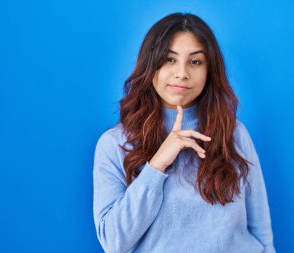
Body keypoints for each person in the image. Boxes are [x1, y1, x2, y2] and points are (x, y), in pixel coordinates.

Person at [93, 12, 275, 253]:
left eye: (195, 62)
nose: (182, 73)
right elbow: (113, 242)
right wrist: (157, 165)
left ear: (210, 71)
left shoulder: (234, 134)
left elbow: (261, 230)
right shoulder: (115, 144)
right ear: (150, 65)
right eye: (169, 59)